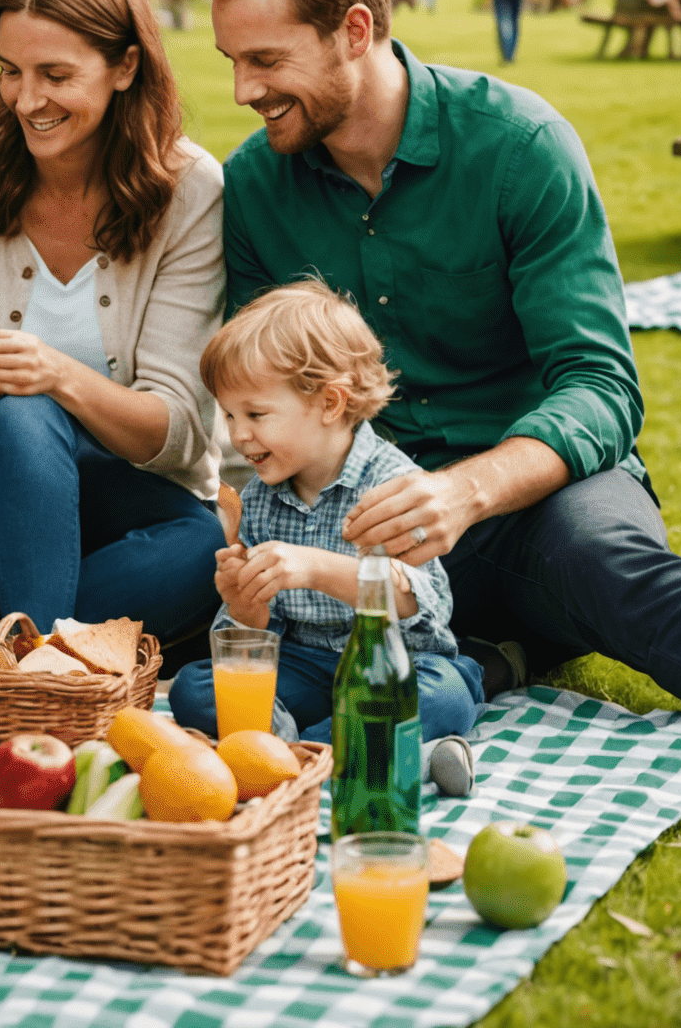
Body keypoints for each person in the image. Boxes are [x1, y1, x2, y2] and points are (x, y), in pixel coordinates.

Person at [188, 0, 681, 751]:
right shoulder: (257, 186)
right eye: (231, 61)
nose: (242, 90)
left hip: (537, 500)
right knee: (219, 622)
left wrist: (462, 492)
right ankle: (493, 656)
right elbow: (257, 393)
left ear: (356, 30)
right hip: (361, 525)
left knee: (602, 566)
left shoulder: (520, 147)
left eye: (265, 59)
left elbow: (601, 385)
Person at [0, 0, 227, 641]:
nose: (25, 99)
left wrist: (59, 374)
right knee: (21, 416)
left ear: (125, 65)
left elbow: (177, 434)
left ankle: (2, 643)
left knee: (207, 550)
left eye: (55, 74)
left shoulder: (190, 190)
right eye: (10, 71)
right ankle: (55, 668)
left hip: (126, 506)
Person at [167, 281, 482, 760]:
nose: (239, 435)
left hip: (392, 662)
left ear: (330, 404)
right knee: (194, 687)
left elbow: (424, 605)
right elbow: (256, 640)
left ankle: (299, 747)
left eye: (255, 413)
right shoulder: (258, 498)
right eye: (229, 416)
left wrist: (312, 567)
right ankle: (338, 745)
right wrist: (246, 605)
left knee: (442, 695)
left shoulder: (393, 486)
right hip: (304, 667)